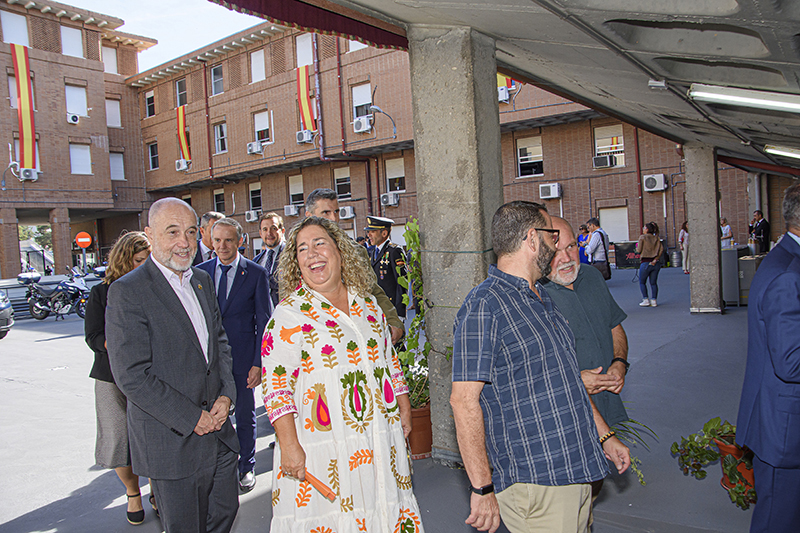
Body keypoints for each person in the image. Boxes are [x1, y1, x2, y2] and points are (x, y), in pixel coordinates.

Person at [451, 201, 629, 533]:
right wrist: (482, 487)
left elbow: (567, 383)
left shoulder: (542, 299)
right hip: (536, 479)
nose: (556, 245)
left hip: (576, 468)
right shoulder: (485, 305)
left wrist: (605, 437)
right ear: (532, 239)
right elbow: (463, 401)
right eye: (551, 236)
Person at [261, 216, 424, 532]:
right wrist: (290, 446)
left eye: (320, 243)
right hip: (322, 445)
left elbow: (389, 360)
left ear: (340, 251)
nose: (312, 254)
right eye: (302, 249)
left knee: (383, 505)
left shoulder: (367, 306)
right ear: (296, 263)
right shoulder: (288, 315)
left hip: (380, 434)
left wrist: (403, 403)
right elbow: (275, 388)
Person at [106, 198, 239, 533]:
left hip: (220, 435)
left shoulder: (201, 281)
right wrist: (192, 417)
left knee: (225, 511)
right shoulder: (127, 291)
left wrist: (227, 395)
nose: (185, 242)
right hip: (172, 443)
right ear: (150, 235)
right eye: (173, 232)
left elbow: (219, 343)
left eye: (192, 232)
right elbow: (132, 376)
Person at [544, 217, 631, 516]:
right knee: (565, 508)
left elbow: (614, 326)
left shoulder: (592, 277)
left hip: (603, 412)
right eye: (556, 251)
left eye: (572, 246)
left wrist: (619, 363)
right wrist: (575, 382)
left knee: (588, 499)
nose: (567, 258)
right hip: (563, 423)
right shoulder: (534, 296)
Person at [736, 184, 800, 533]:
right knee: (779, 523)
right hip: (785, 432)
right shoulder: (789, 273)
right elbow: (791, 362)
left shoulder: (789, 263)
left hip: (782, 423)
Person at [86, 231, 155, 525]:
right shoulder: (101, 292)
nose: (144, 266)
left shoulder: (155, 289)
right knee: (119, 438)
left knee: (153, 436)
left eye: (148, 260)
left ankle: (158, 490)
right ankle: (132, 493)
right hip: (111, 377)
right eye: (139, 260)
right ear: (124, 259)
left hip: (150, 375)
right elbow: (93, 336)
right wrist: (121, 344)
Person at [198, 217, 270, 493]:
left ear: (240, 241)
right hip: (208, 360)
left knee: (244, 413)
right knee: (211, 414)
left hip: (242, 358)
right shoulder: (199, 273)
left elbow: (264, 320)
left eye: (228, 240)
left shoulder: (254, 273)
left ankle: (246, 467)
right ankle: (219, 468)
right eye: (217, 240)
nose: (222, 246)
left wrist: (257, 362)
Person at [304, 188, 405, 345]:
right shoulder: (298, 254)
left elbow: (372, 289)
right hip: (317, 337)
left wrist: (394, 320)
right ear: (309, 216)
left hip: (356, 335)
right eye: (326, 212)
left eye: (336, 211)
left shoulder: (355, 250)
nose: (333, 218)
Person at [366, 215, 408, 319]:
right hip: (376, 307)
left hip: (391, 307)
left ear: (384, 233)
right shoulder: (372, 252)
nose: (369, 235)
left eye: (373, 231)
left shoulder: (394, 251)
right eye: (368, 231)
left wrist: (400, 312)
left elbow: (402, 283)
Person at [253, 211, 285, 313]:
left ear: (282, 231)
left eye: (273, 228)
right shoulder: (256, 261)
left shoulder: (293, 256)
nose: (269, 233)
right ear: (260, 233)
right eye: (265, 229)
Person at [636, 222, 663, 307]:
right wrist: (656, 259)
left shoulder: (642, 237)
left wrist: (637, 246)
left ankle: (645, 299)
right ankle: (654, 300)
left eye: (644, 228)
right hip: (655, 262)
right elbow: (661, 250)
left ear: (647, 229)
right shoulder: (656, 238)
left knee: (642, 282)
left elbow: (639, 250)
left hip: (645, 262)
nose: (643, 229)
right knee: (653, 282)